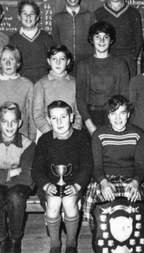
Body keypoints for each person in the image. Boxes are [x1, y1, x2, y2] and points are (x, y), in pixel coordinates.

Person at [83, 95, 144, 229]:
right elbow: (96, 166)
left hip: (131, 178)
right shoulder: (99, 135)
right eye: (113, 114)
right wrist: (104, 183)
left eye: (122, 113)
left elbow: (140, 165)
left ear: (128, 114)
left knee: (134, 199)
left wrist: (136, 182)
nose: (118, 118)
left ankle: (136, 236)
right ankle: (103, 237)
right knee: (104, 199)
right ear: (108, 115)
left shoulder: (138, 134)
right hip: (105, 178)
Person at [31, 100, 93, 253]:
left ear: (71, 117)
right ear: (48, 120)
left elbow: (87, 166)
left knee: (69, 200)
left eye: (63, 117)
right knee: (53, 202)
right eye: (54, 118)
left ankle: (71, 245)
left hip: (74, 183)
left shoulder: (81, 137)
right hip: (50, 184)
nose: (59, 122)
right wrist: (46, 185)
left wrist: (77, 186)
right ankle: (55, 245)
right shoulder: (44, 140)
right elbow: (36, 169)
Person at [0, 102, 35, 253]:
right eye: (5, 122)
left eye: (14, 122)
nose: (9, 126)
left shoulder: (28, 145)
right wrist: (11, 172)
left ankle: (15, 238)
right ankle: (2, 239)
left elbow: (27, 177)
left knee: (15, 197)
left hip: (19, 186)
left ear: (20, 123)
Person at [75, 21, 129, 136]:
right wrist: (90, 126)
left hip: (114, 115)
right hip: (90, 116)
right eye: (97, 37)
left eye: (106, 37)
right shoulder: (83, 64)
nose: (102, 41)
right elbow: (80, 99)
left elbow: (124, 96)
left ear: (111, 40)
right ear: (91, 40)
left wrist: (116, 121)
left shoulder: (120, 64)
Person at [0, 45, 36, 142]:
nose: (8, 63)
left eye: (12, 59)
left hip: (21, 140)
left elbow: (32, 115)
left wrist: (32, 138)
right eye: (4, 60)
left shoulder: (27, 85)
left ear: (18, 63)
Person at [94, 0, 143, 77]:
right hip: (107, 57)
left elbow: (138, 39)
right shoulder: (99, 13)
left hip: (128, 59)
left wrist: (132, 57)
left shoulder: (133, 12)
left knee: (125, 91)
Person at [33, 45, 82, 134]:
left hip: (71, 133)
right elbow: (37, 114)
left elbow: (79, 112)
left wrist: (75, 132)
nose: (58, 63)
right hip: (47, 132)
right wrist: (49, 132)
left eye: (62, 59)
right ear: (49, 61)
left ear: (68, 61)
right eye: (54, 59)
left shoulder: (75, 83)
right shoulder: (41, 84)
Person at [51, 0, 96, 73]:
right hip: (65, 67)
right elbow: (56, 43)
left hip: (86, 65)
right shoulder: (57, 18)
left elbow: (94, 43)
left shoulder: (90, 16)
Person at [9, 0, 55, 83]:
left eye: (32, 14)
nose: (28, 17)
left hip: (44, 82)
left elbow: (53, 63)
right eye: (25, 13)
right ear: (19, 17)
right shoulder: (14, 39)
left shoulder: (47, 37)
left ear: (37, 18)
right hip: (22, 83)